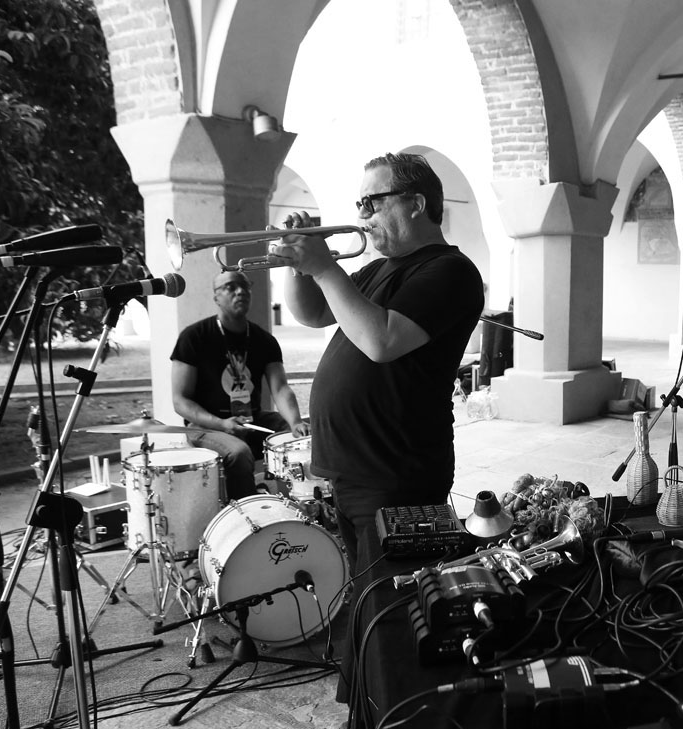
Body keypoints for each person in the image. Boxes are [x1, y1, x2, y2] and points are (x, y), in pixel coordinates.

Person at [276, 152, 485, 582]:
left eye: (372, 201)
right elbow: (312, 313)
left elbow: (381, 341)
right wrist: (296, 266)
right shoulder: (377, 269)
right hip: (353, 466)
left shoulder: (450, 271)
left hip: (396, 471)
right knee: (369, 591)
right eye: (359, 205)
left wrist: (324, 265)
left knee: (395, 597)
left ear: (417, 203)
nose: (363, 214)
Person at [171, 270, 310, 499]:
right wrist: (221, 423)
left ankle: (297, 501)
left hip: (251, 420)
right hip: (205, 426)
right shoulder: (194, 337)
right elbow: (180, 400)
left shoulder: (264, 340)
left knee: (303, 435)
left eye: (245, 286)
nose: (240, 292)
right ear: (216, 297)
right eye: (231, 287)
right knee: (239, 452)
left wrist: (295, 422)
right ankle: (248, 514)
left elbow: (280, 388)